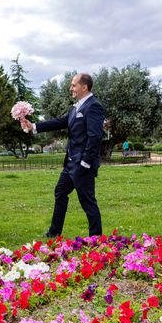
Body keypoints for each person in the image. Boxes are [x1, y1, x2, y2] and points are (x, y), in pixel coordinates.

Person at [21, 73, 105, 237]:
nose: (70, 88)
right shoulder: (76, 107)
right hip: (70, 163)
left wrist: (85, 163)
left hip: (82, 164)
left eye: (73, 85)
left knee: (87, 201)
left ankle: (96, 239)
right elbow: (60, 122)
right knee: (60, 192)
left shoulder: (93, 106)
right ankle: (54, 232)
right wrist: (34, 126)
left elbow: (95, 137)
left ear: (84, 87)